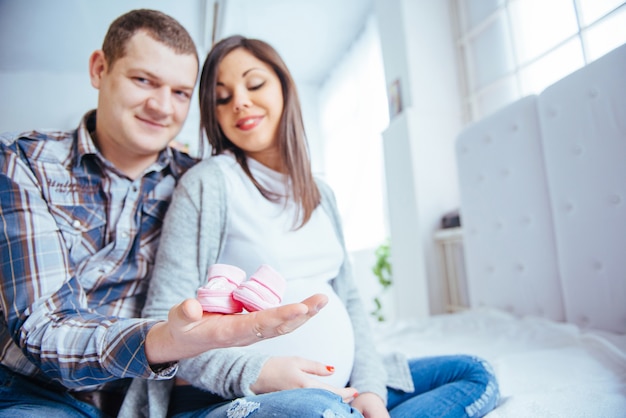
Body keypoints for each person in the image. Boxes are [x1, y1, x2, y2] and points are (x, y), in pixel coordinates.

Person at [120, 35, 500, 418]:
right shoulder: (209, 184)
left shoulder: (322, 194)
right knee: (313, 410)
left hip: (339, 385)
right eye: (222, 97)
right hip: (234, 395)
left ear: (284, 88)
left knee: (473, 373)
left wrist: (371, 392)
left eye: (254, 84)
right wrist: (259, 372)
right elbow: (163, 326)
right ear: (214, 114)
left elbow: (350, 301)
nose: (240, 102)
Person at [0, 11, 328, 418]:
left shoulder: (197, 181)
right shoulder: (25, 163)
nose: (160, 106)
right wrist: (164, 340)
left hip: (149, 398)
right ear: (99, 69)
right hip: (36, 390)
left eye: (180, 93)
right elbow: (43, 328)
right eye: (144, 81)